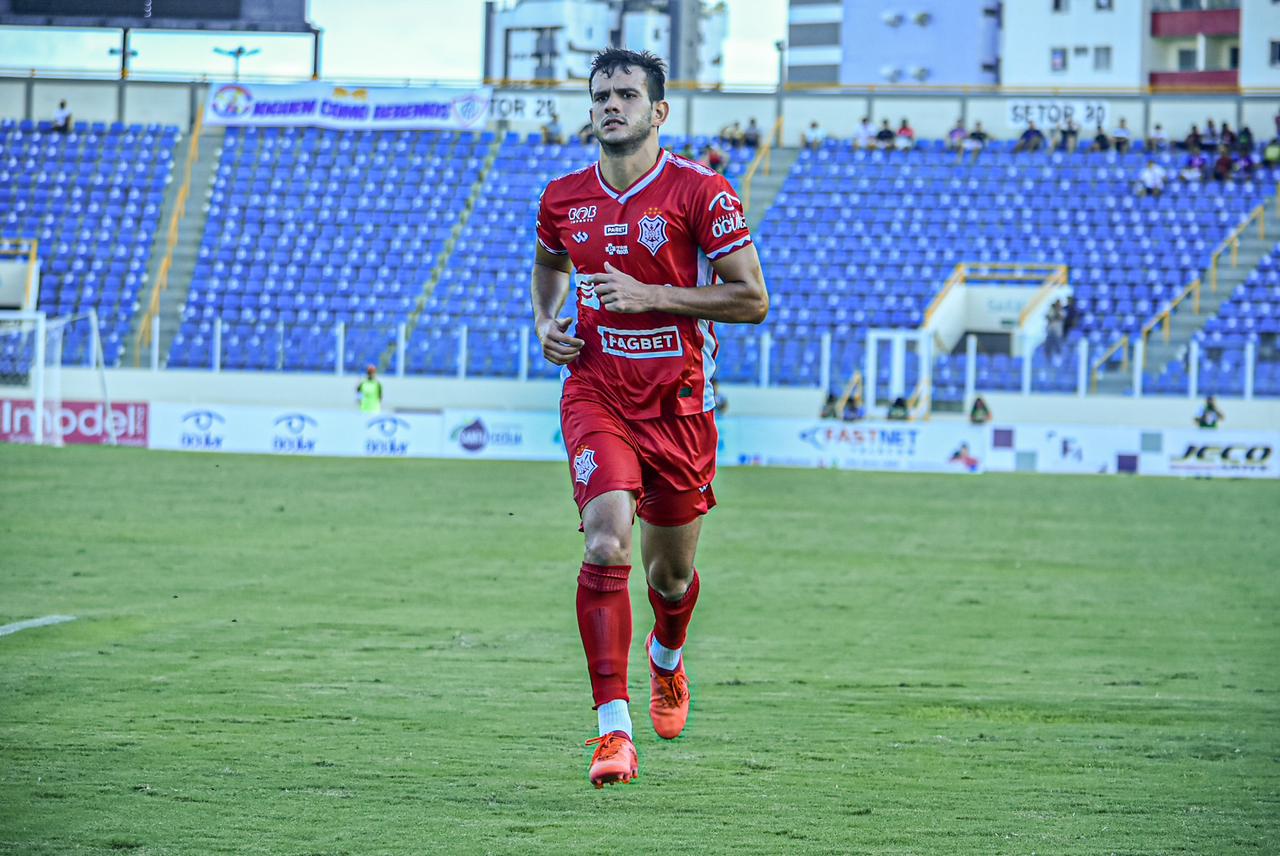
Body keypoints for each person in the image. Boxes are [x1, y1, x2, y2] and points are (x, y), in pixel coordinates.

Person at [531, 48, 769, 789]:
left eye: (627, 95)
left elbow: (752, 299)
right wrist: (544, 322)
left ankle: (667, 657)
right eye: (601, 94)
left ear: (658, 111)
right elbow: (549, 263)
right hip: (595, 391)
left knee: (670, 578)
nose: (612, 104)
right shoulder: (563, 197)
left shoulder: (703, 193)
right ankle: (614, 732)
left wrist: (652, 296)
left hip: (679, 406)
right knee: (607, 543)